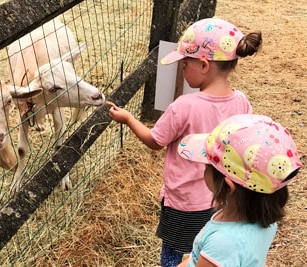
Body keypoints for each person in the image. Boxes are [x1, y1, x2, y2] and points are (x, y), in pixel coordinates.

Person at [108, 17, 262, 266]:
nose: (182, 69)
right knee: (205, 249)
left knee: (172, 253)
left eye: (185, 64)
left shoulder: (184, 106)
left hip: (183, 201)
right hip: (221, 197)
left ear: (203, 65)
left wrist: (127, 119)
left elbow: (155, 140)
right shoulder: (241, 102)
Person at [176, 114, 302, 266]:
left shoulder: (223, 245)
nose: (204, 168)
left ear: (228, 187)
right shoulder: (262, 217)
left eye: (208, 165)